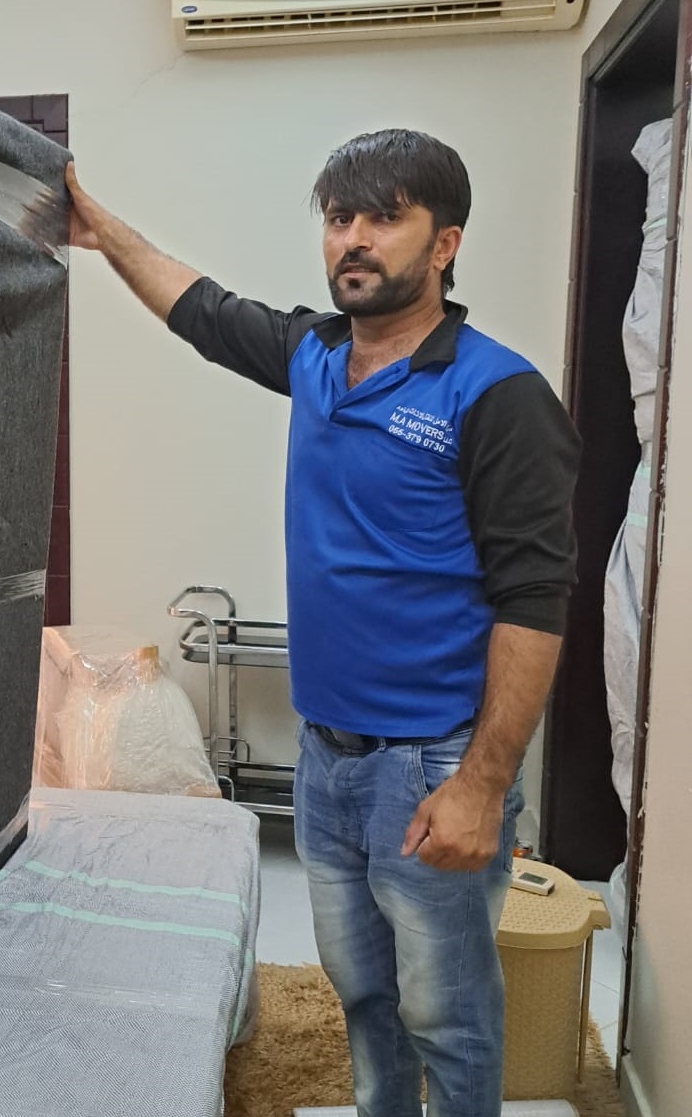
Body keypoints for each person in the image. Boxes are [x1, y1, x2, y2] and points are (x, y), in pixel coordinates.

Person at [65, 130, 579, 1117]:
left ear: (445, 244)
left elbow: (536, 601)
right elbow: (202, 308)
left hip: (431, 765)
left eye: (386, 217)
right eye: (341, 217)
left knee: (449, 1013)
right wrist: (101, 231)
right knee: (364, 994)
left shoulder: (497, 394)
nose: (355, 238)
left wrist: (481, 786)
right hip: (326, 758)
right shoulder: (315, 354)